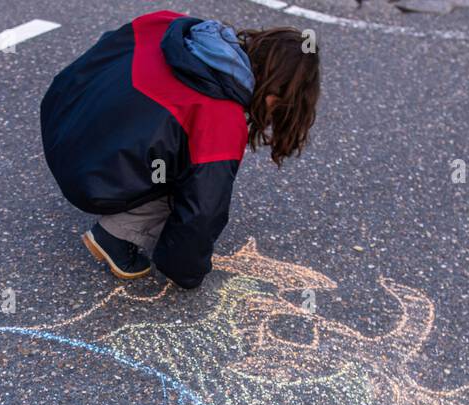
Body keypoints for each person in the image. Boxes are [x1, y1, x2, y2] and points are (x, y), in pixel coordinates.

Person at [40, 9, 320, 289]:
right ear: (276, 92)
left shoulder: (170, 25)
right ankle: (115, 235)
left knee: (170, 141)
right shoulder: (221, 117)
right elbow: (202, 210)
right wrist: (187, 273)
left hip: (60, 121)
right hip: (87, 178)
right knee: (189, 175)